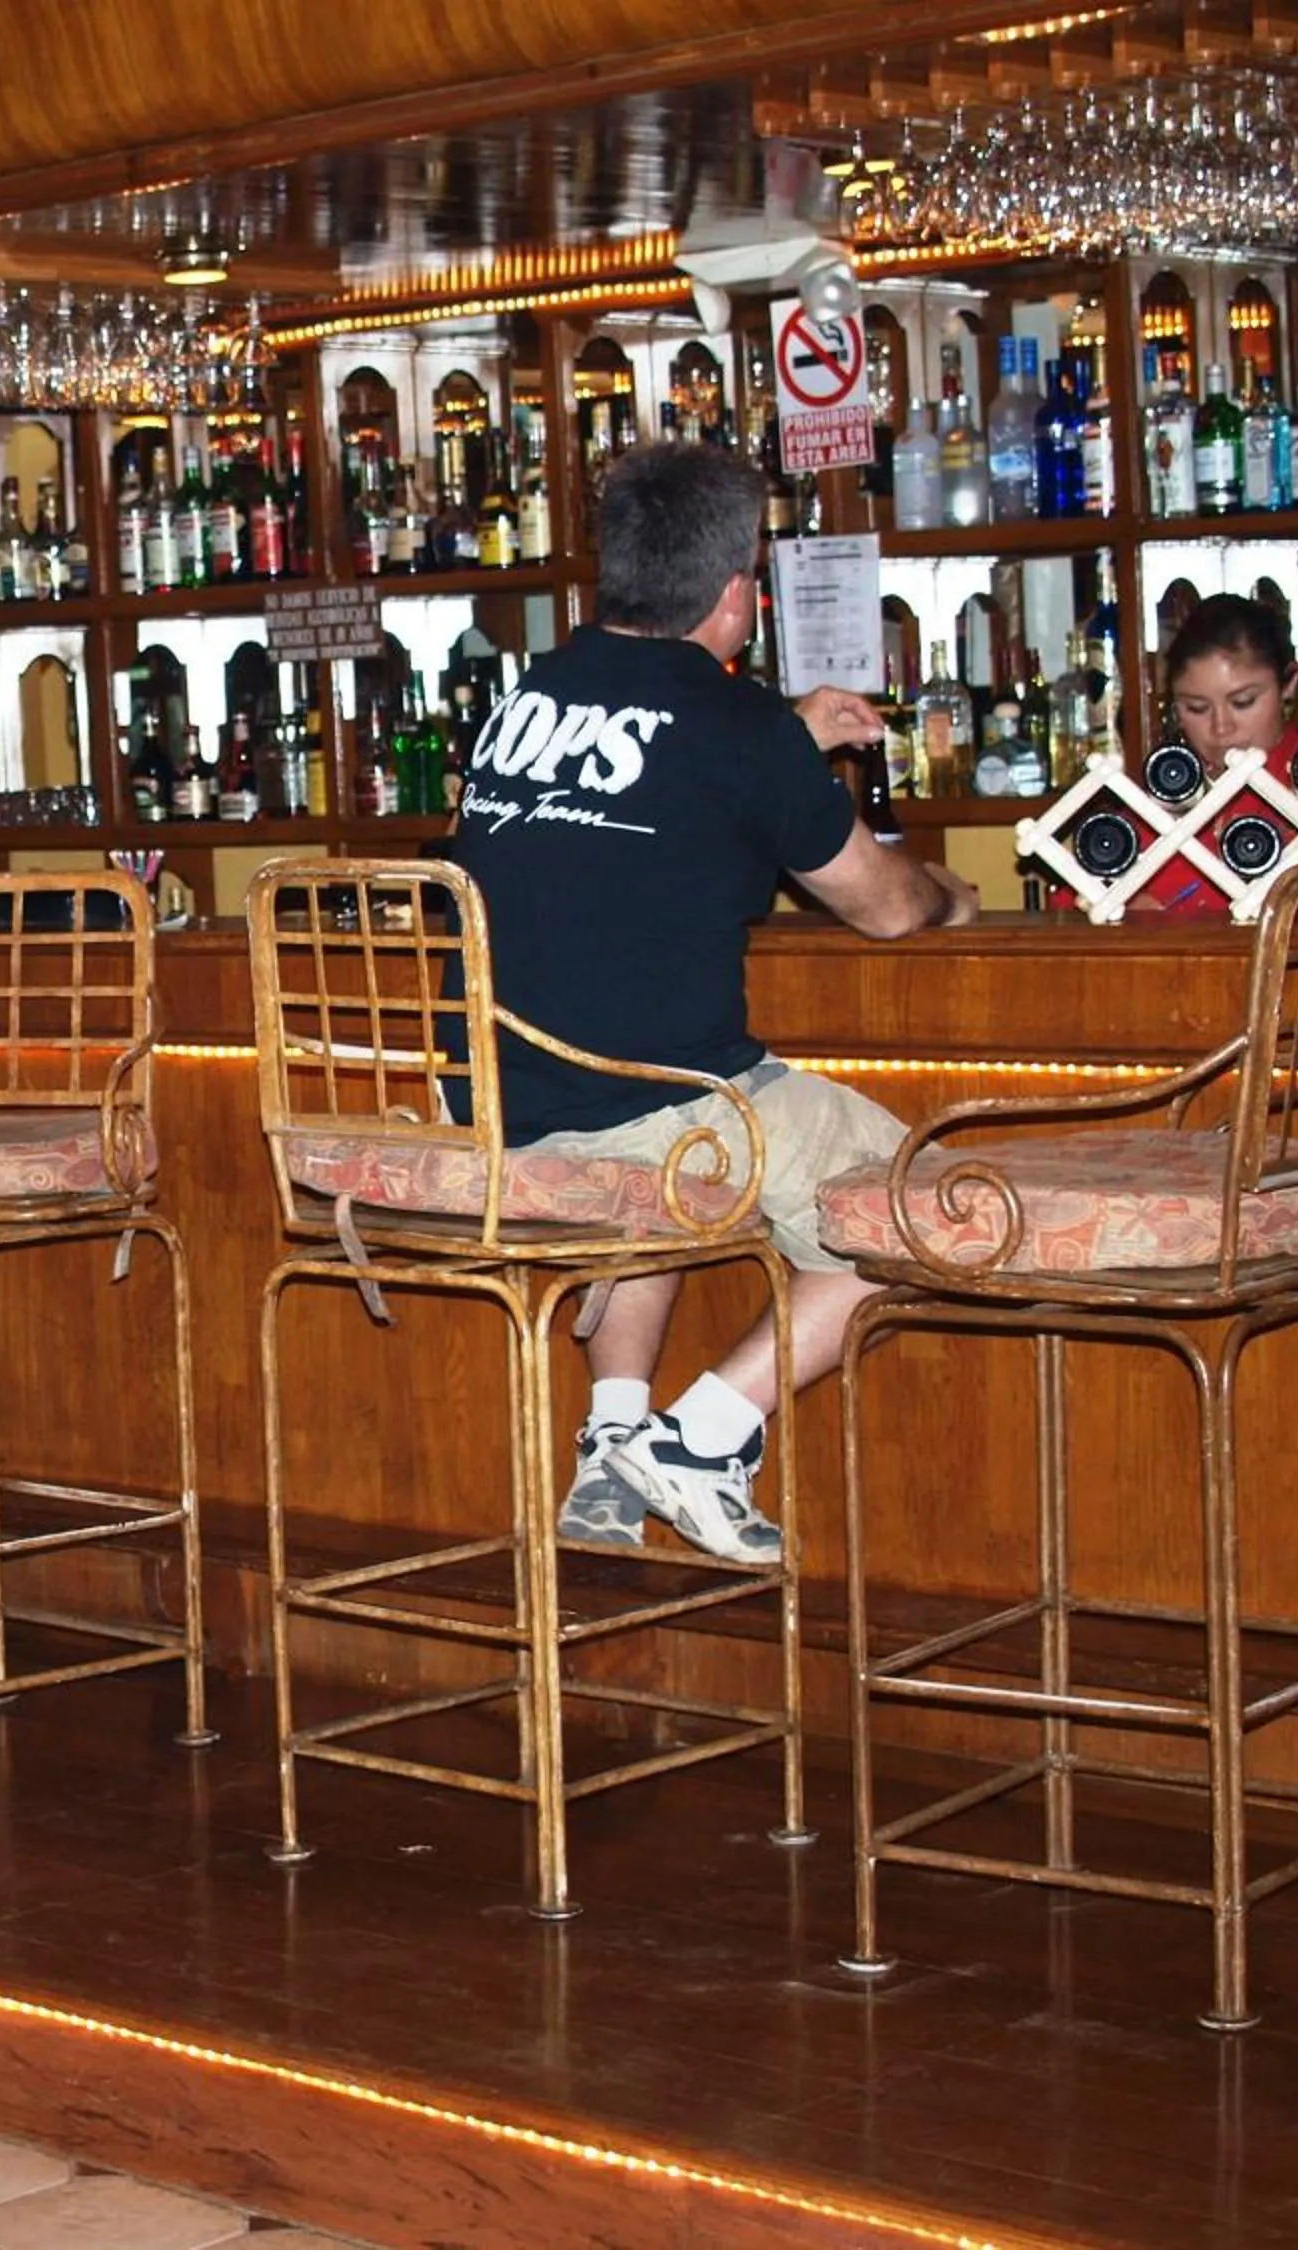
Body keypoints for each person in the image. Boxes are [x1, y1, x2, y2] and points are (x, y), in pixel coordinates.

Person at [445, 440, 978, 1564]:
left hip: (503, 1115)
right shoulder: (736, 734)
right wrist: (950, 892)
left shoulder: (522, 700)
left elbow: (649, 760)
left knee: (664, 1149)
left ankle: (613, 1443)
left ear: (609, 573)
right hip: (655, 1111)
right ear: (742, 593)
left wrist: (783, 732)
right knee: (920, 1201)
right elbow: (886, 909)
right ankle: (704, 1435)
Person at [1135, 594, 1298, 917]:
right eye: (1196, 708)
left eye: (1243, 701)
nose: (1221, 727)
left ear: (1289, 684)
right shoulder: (1160, 798)